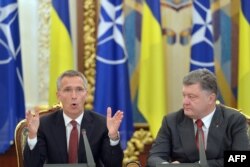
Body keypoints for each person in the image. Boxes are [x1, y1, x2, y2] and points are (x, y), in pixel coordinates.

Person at [147, 68, 249, 167]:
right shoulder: (171, 121)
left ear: (211, 98)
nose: (185, 102)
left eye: (192, 97)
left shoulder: (234, 120)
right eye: (184, 96)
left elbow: (241, 158)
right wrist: (166, 166)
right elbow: (154, 157)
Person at [23, 70, 124, 167]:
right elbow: (32, 165)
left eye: (79, 90)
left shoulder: (102, 125)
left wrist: (113, 137)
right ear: (58, 96)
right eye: (67, 90)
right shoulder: (44, 125)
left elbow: (113, 165)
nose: (74, 96)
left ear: (86, 94)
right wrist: (32, 136)